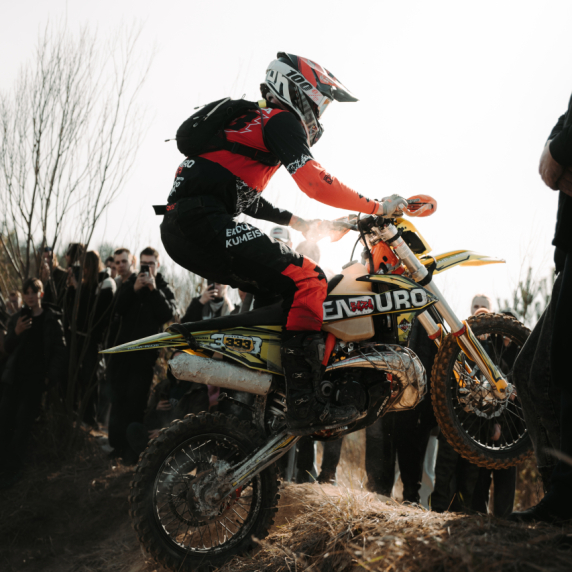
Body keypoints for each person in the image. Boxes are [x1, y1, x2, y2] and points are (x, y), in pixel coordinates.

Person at [159, 52, 407, 435]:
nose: (319, 114)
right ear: (297, 90)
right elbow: (315, 182)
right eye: (319, 103)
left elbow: (244, 195)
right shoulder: (279, 120)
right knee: (310, 279)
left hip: (184, 225)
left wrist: (299, 223)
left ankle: (252, 398)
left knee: (279, 289)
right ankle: (304, 402)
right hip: (201, 222)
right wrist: (376, 206)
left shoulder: (252, 124)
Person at [509, 93, 572, 524]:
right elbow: (552, 156)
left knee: (558, 369)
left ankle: (564, 496)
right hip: (567, 253)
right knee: (530, 372)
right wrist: (555, 151)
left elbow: (559, 151)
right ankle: (558, 494)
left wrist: (557, 151)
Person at [105, 247, 176, 460]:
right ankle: (116, 446)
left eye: (151, 264)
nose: (147, 267)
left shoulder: (163, 288)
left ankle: (131, 451)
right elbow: (116, 308)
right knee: (118, 401)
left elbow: (167, 313)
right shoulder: (131, 283)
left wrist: (154, 290)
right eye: (144, 264)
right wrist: (133, 289)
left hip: (144, 358)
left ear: (158, 265)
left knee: (136, 403)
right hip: (122, 355)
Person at [0, 278, 66, 488]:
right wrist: (16, 332)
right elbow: (7, 348)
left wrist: (49, 377)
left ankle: (13, 471)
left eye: (34, 292)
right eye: (26, 292)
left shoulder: (51, 319)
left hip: (35, 382)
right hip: (14, 379)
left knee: (22, 425)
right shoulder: (16, 318)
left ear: (41, 294)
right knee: (5, 422)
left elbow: (60, 351)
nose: (30, 296)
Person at [65, 251, 116, 426]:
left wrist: (78, 288)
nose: (83, 270)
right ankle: (72, 412)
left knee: (89, 378)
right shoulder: (85, 283)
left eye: (85, 266)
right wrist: (72, 288)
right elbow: (72, 309)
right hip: (76, 337)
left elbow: (94, 313)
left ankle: (89, 418)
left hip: (91, 339)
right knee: (72, 375)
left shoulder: (105, 284)